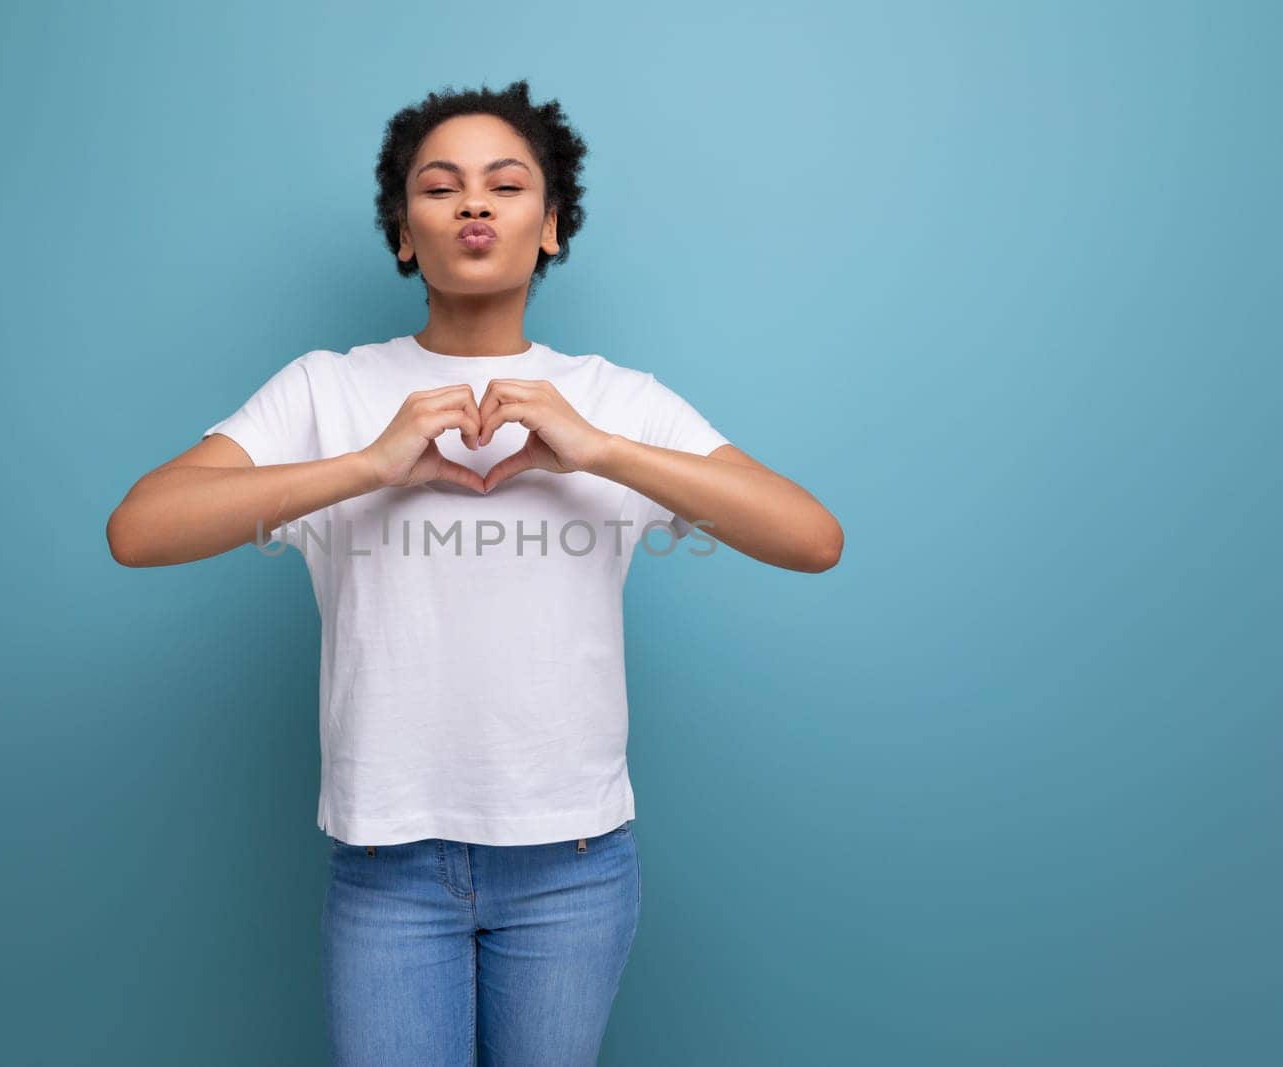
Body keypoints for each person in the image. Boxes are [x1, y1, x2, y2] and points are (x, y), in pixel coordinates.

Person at [107, 79, 843, 1067]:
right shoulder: (329, 387)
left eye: (505, 183)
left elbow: (809, 536)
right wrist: (367, 464)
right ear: (405, 235)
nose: (473, 204)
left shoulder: (612, 399)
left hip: (572, 864)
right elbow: (141, 527)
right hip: (386, 863)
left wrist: (598, 449)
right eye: (439, 186)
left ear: (550, 226)